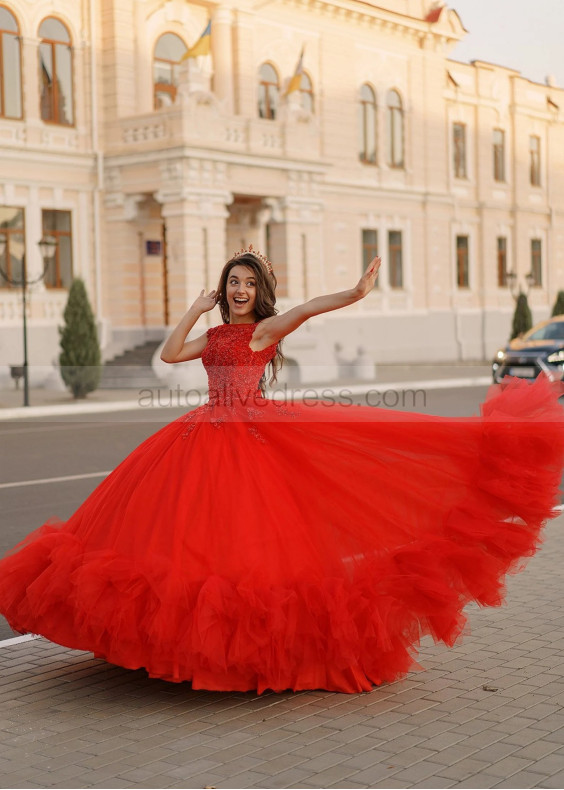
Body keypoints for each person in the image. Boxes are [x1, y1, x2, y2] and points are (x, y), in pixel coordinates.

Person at [1, 247, 564, 694]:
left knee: (248, 543)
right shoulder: (216, 332)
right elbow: (172, 355)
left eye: (247, 283)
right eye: (232, 283)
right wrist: (195, 310)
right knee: (190, 540)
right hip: (199, 438)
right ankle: (181, 646)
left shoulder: (262, 332)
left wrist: (355, 292)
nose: (239, 290)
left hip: (248, 438)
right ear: (225, 290)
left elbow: (308, 308)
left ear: (258, 292)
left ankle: (239, 649)